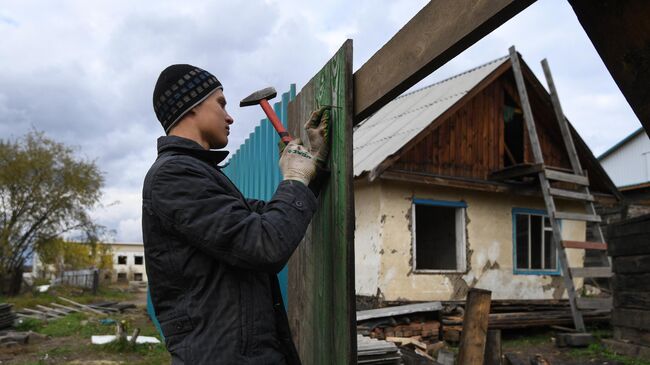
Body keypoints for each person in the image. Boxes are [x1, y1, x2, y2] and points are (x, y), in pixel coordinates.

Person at [142, 64, 329, 364]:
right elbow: (265, 244)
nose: (229, 116)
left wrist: (310, 174)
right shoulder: (174, 176)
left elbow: (267, 217)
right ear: (190, 107)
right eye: (220, 103)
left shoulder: (197, 174)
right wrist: (294, 179)